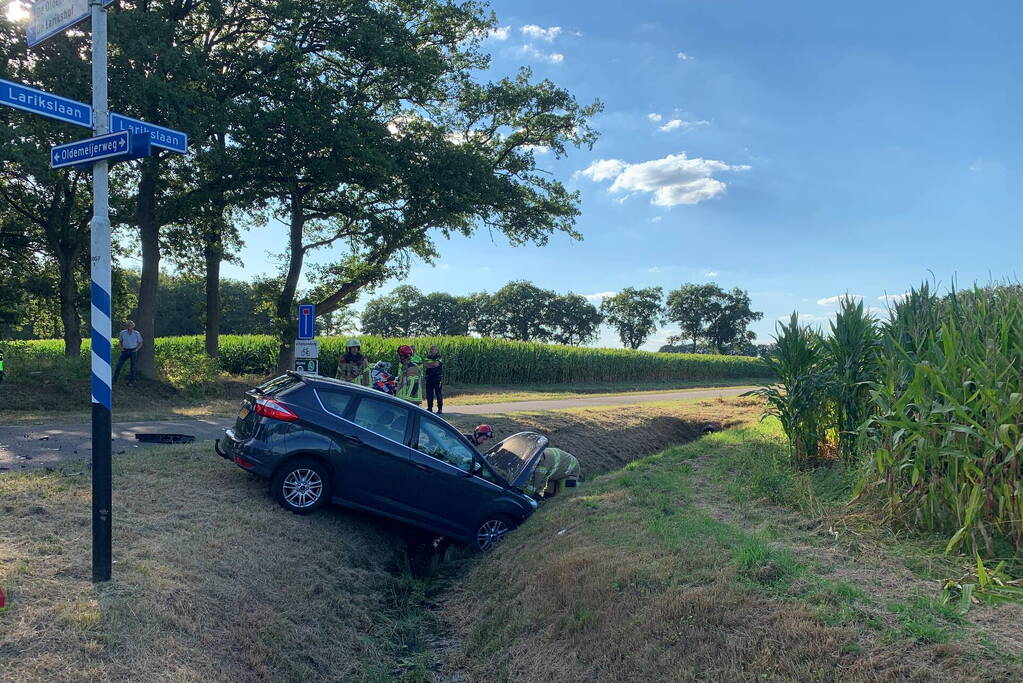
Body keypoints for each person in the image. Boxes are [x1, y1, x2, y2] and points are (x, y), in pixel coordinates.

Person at [113, 320, 144, 386]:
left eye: (130, 325)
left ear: (133, 326)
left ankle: (132, 381)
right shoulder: (122, 333)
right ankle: (114, 380)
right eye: (128, 325)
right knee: (119, 365)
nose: (129, 327)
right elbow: (120, 341)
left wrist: (136, 350)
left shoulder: (136, 333)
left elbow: (141, 343)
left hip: (133, 351)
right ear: (126, 326)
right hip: (125, 351)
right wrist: (121, 348)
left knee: (133, 367)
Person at [423, 344, 444, 414]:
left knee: (438, 393)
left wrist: (430, 365)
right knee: (429, 393)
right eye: (431, 349)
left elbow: (436, 364)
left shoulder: (439, 357)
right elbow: (425, 364)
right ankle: (430, 408)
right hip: (429, 377)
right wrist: (432, 364)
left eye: (432, 349)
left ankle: (440, 409)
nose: (431, 351)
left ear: (436, 350)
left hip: (437, 377)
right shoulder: (428, 357)